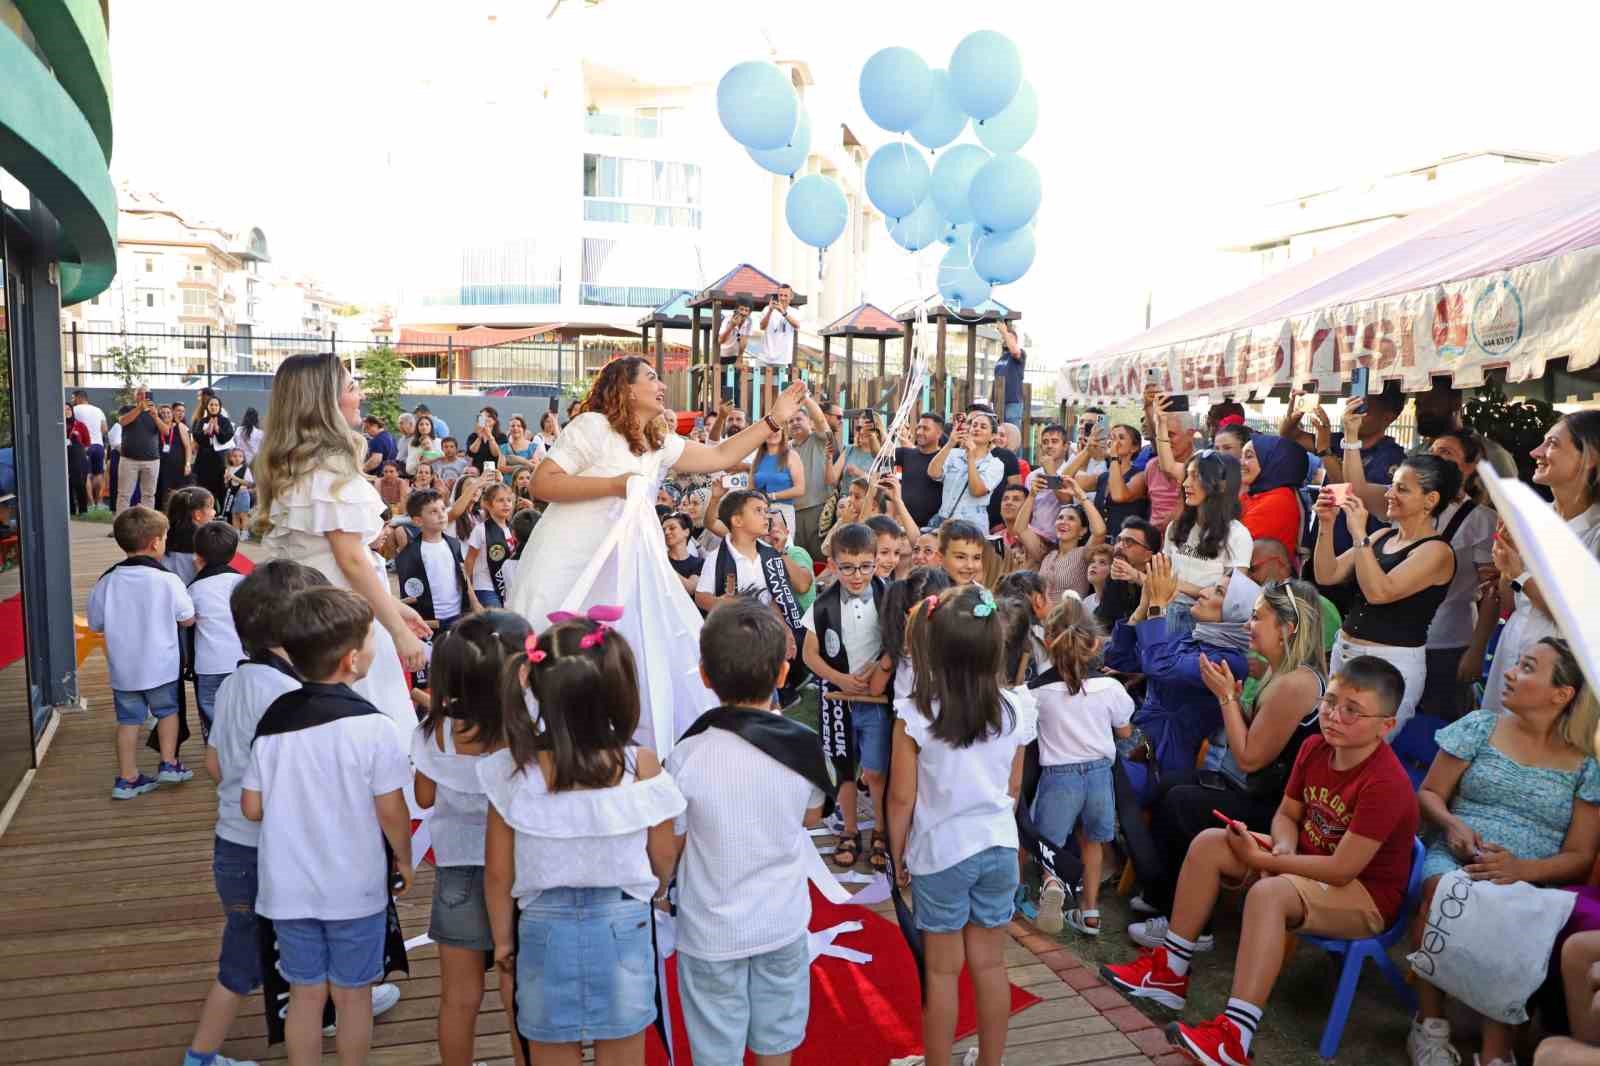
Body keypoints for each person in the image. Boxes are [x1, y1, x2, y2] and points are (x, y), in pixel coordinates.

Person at [1103, 656, 1419, 1066]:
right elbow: (1287, 815)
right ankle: (1169, 971)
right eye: (1330, 702)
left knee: (1268, 894)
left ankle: (1235, 1038)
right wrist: (1283, 849)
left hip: (1365, 895)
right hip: (1312, 861)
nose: (1334, 716)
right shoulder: (1315, 747)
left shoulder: (1386, 783)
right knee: (1211, 843)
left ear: (1386, 725)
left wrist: (1275, 862)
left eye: (1352, 711)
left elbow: (1343, 869)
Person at [508, 356, 812, 748]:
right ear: (626, 387)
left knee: (636, 649)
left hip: (629, 563)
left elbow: (719, 455)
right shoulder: (593, 426)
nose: (662, 384)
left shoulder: (657, 441)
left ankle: (620, 744)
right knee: (554, 643)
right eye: (651, 377)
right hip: (573, 555)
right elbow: (543, 483)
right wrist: (615, 485)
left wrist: (772, 420)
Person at [184, 560, 387, 1066]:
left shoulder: (235, 682)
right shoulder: (287, 697)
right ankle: (202, 1053)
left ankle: (344, 994)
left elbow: (214, 762)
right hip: (265, 850)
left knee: (273, 949)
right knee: (244, 959)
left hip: (230, 843)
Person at [481, 615, 685, 1064]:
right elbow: (663, 856)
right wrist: (659, 885)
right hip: (624, 923)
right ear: (618, 690)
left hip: (542, 928)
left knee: (551, 1050)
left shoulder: (513, 771)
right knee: (624, 1048)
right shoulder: (641, 766)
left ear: (534, 685)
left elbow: (498, 873)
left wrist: (502, 941)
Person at [1406, 637, 1600, 1066]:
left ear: (1562, 694)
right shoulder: (1480, 726)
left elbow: (1580, 855)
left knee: (1513, 914)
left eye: (1528, 668)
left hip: (1532, 877)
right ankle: (1429, 1025)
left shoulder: (1587, 764)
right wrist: (1454, 824)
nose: (1509, 673)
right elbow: (1431, 794)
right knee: (1443, 892)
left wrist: (1522, 869)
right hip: (1459, 859)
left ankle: (1497, 1053)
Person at [240, 588, 414, 1066]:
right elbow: (392, 810)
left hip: (288, 889)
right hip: (354, 890)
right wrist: (403, 856)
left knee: (305, 995)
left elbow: (251, 807)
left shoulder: (274, 722)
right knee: (354, 996)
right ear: (353, 659)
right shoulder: (374, 727)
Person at [666, 600, 832, 1066]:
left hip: (710, 929)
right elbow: (812, 818)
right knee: (776, 1045)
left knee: (715, 1052)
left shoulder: (687, 756)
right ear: (783, 674)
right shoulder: (801, 747)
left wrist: (661, 890)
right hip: (780, 922)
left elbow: (672, 842)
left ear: (704, 675)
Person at [1127, 579, 1327, 950]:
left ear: (1288, 628)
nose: (1249, 625)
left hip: (1280, 813)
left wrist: (1226, 699)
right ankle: (1161, 896)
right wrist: (1233, 698)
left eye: (1258, 617)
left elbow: (1250, 759)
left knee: (1181, 803)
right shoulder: (1276, 670)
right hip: (1260, 791)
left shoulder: (1296, 684)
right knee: (1172, 784)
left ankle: (1190, 925)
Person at [888, 583, 1039, 1066]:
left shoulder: (915, 712)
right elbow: (1013, 789)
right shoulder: (1017, 708)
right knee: (992, 965)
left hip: (940, 852)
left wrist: (897, 855)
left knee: (942, 973)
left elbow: (900, 797)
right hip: (997, 846)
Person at [252, 352, 432, 737]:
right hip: (345, 625)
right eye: (352, 387)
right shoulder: (329, 470)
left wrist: (396, 609)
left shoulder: (296, 465)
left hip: (315, 618)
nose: (360, 394)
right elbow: (349, 561)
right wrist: (396, 632)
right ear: (325, 402)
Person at [411, 612, 531, 1066]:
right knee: (515, 992)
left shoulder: (434, 731)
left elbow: (423, 796)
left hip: (457, 872)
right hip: (519, 872)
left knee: (458, 998)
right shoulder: (522, 731)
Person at [1314, 454, 1460, 734]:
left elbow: (1379, 592)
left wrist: (1359, 534)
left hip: (1391, 663)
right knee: (1333, 738)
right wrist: (1327, 524)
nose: (1389, 494)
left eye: (1402, 489)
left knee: (1366, 749)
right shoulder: (1381, 537)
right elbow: (1327, 574)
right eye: (1392, 486)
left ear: (1430, 500)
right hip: (1345, 652)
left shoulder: (1437, 551)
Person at [1106, 555, 1257, 805]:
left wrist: (1158, 605)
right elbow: (1119, 659)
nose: (1204, 593)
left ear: (1235, 613)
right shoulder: (1191, 637)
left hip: (1162, 759)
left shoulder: (1230, 661)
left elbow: (1160, 665)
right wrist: (1144, 606)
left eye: (1218, 592)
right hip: (1135, 736)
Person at [1030, 596, 1134, 936]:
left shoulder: (1038, 693)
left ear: (1048, 641)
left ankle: (1052, 885)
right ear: (1095, 643)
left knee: (1051, 844)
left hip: (1058, 778)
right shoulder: (1110, 687)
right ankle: (1090, 913)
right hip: (1099, 777)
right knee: (1093, 844)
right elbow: (1124, 730)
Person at [1483, 411, 1600, 713]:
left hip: (1561, 675)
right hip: (1512, 654)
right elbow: (1513, 604)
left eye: (1552, 444)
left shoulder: (1595, 532)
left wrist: (1520, 574)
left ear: (1590, 458)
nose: (1536, 453)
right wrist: (1506, 568)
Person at [88, 506, 196, 799]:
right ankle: (169, 763)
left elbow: (96, 622)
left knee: (128, 720)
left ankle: (127, 778)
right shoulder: (167, 579)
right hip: (161, 666)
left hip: (124, 669)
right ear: (155, 543)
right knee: (168, 712)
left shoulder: (107, 580)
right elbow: (187, 617)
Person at [802, 522, 890, 870]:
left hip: (876, 700)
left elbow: (898, 640)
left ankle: (881, 828)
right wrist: (839, 678)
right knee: (843, 767)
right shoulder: (823, 605)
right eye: (848, 568)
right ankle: (849, 829)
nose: (857, 576)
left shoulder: (887, 595)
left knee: (877, 768)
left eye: (865, 566)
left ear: (876, 561)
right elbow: (810, 654)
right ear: (834, 565)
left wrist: (879, 667)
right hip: (837, 701)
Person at [189, 521, 246, 734]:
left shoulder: (195, 588)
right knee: (242, 712)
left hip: (209, 664)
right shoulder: (244, 583)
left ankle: (217, 756)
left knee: (213, 719)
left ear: (198, 555)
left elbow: (186, 619)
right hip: (242, 660)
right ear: (233, 553)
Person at [396, 488, 475, 637]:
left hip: (458, 616)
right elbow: (410, 591)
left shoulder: (453, 544)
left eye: (443, 509)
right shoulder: (411, 554)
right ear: (418, 520)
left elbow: (462, 576)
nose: (441, 515)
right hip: (430, 622)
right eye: (433, 512)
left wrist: (474, 603)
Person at [1013, 478, 1107, 602]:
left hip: (1070, 619)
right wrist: (1032, 495)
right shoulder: (1047, 554)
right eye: (1060, 517)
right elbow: (1020, 529)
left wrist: (1080, 495)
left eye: (1071, 519)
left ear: (1083, 531)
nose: (1063, 522)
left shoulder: (1085, 554)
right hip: (1043, 619)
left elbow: (1099, 531)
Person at [926, 410, 1004, 532]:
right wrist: (950, 444)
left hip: (972, 526)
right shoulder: (953, 454)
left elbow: (977, 491)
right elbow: (933, 473)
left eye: (983, 427)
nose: (977, 429)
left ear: (992, 436)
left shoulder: (995, 464)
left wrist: (971, 458)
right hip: (945, 522)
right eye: (974, 425)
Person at [1239, 434, 1309, 568]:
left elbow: (1232, 544)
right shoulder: (1254, 493)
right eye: (1241, 456)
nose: (1241, 462)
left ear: (1274, 461)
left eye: (1249, 456)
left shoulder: (1280, 500)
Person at [787, 393, 835, 558]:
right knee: (798, 559)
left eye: (799, 419)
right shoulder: (784, 449)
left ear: (810, 423)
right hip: (792, 512)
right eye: (791, 421)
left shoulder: (819, 440)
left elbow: (821, 421)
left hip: (818, 509)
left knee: (820, 558)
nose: (794, 423)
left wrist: (804, 397)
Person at [1144, 395, 1199, 534]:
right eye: (1163, 434)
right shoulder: (1151, 466)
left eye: (1171, 434)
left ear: (1190, 434)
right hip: (1155, 545)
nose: (1166, 440)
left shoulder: (1202, 467)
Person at [1096, 515, 1163, 628]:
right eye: (1119, 540)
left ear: (1147, 555)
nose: (1119, 546)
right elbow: (1103, 623)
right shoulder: (1114, 577)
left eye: (1129, 542)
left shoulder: (1160, 583)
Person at [464, 481, 517, 609]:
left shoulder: (513, 529)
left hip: (508, 587)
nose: (506, 504)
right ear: (488, 504)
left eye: (509, 500)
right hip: (485, 586)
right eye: (500, 500)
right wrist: (469, 591)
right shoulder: (480, 530)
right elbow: (469, 561)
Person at [116, 387, 167, 513]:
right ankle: (120, 526)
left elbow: (166, 431)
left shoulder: (155, 412)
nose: (143, 396)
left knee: (149, 495)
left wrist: (155, 416)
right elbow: (123, 421)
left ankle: (146, 527)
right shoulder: (127, 409)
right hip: (129, 459)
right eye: (140, 394)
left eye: (146, 394)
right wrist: (139, 408)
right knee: (124, 494)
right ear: (135, 396)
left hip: (152, 460)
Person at [752, 417, 806, 533]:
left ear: (782, 431)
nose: (772, 433)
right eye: (769, 430)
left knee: (782, 548)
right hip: (759, 512)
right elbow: (750, 489)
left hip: (784, 511)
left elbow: (800, 489)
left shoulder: (791, 456)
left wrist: (772, 496)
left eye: (776, 429)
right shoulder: (757, 458)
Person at [896, 412, 948, 531]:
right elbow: (880, 455)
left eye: (925, 429)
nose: (919, 432)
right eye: (918, 427)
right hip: (906, 526)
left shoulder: (947, 459)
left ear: (939, 433)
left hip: (934, 529)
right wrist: (873, 433)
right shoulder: (906, 453)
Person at [1023, 422, 1073, 540]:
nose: (1049, 446)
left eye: (1054, 441)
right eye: (1045, 442)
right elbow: (1028, 510)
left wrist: (1051, 473)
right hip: (1035, 536)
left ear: (1065, 446)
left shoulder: (1071, 472)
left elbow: (1066, 501)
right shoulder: (1032, 476)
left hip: (1060, 538)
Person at [756, 283, 800, 413]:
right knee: (763, 390)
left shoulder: (794, 312)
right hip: (765, 356)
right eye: (780, 295)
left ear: (791, 296)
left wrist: (783, 312)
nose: (782, 298)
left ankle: (774, 418)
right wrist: (770, 310)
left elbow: (797, 325)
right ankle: (762, 417)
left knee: (777, 391)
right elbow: (762, 326)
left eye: (785, 295)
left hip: (782, 358)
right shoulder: (767, 309)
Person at [165, 485, 218, 586]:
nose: (214, 512)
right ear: (197, 515)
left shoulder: (166, 535)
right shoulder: (204, 542)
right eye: (211, 507)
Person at [192, 395, 235, 503]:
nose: (213, 407)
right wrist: (205, 432)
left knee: (222, 491)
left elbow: (226, 437)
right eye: (211, 405)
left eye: (216, 405)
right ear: (207, 407)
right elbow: (197, 436)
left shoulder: (225, 421)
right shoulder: (202, 421)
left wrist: (217, 429)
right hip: (204, 462)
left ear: (220, 407)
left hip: (220, 462)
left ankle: (222, 515)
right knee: (204, 492)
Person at [71, 388, 108, 507]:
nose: (72, 400)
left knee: (86, 474)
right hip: (98, 446)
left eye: (73, 398)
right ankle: (99, 502)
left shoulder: (74, 410)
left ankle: (90, 503)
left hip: (84, 446)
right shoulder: (98, 410)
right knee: (98, 474)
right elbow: (104, 429)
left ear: (79, 398)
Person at [662, 511, 704, 599]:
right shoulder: (660, 560)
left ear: (686, 532)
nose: (666, 532)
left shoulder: (699, 563)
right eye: (664, 529)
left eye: (672, 528)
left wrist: (663, 564)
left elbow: (691, 588)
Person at [993, 319, 1027, 425]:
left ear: (1015, 340)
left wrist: (1004, 331)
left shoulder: (1020, 353)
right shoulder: (1001, 358)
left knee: (1012, 432)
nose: (1005, 339)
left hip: (1013, 402)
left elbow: (1015, 351)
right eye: (1004, 337)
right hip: (998, 401)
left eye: (1009, 337)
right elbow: (996, 379)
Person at [939, 518, 989, 586]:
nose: (970, 565)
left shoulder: (982, 593)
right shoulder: (925, 590)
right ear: (941, 557)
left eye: (976, 558)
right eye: (960, 557)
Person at [66, 401, 91, 515]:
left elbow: (87, 443)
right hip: (64, 456)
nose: (67, 412)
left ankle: (83, 509)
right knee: (67, 483)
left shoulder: (80, 425)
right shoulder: (58, 425)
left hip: (77, 456)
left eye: (69, 409)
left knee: (80, 482)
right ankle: (70, 510)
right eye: (64, 409)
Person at [500, 414, 542, 482]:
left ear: (523, 429)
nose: (515, 428)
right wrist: (524, 465)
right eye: (512, 426)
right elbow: (501, 468)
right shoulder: (504, 447)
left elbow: (536, 467)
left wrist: (518, 461)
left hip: (526, 484)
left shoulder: (533, 447)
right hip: (509, 485)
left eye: (519, 426)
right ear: (509, 429)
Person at [220, 449, 253, 532]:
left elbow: (248, 483)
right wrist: (226, 480)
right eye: (234, 456)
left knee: (243, 515)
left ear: (243, 458)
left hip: (242, 493)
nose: (237, 458)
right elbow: (227, 485)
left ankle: (245, 533)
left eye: (240, 456)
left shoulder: (245, 469)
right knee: (234, 515)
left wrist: (234, 477)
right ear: (230, 458)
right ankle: (236, 533)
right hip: (232, 495)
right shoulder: (229, 469)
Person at [465, 405, 507, 471]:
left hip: (494, 471)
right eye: (482, 417)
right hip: (476, 471)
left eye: (489, 416)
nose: (486, 419)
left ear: (494, 421)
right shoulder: (473, 436)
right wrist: (479, 437)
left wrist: (489, 436)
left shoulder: (502, 436)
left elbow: (496, 454)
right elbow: (471, 452)